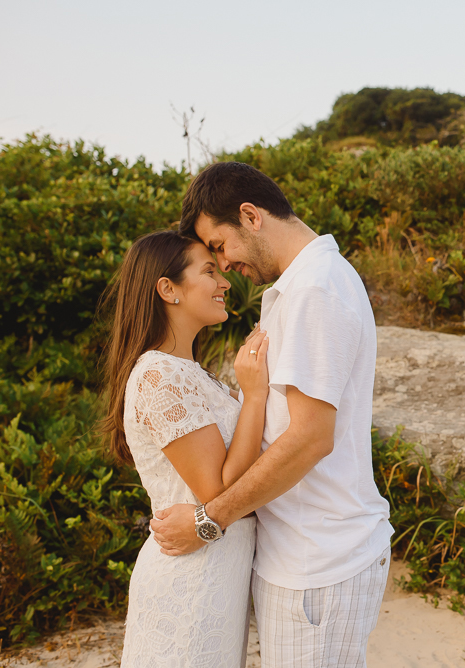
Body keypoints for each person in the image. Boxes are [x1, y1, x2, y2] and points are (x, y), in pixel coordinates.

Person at [149, 162, 393, 667]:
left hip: (318, 561)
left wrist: (207, 521)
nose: (224, 265)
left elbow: (309, 439)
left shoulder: (314, 291)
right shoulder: (299, 288)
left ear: (250, 216)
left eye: (219, 246)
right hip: (303, 556)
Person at [99, 230, 271, 667]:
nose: (225, 282)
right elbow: (215, 490)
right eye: (209, 271)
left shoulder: (187, 371)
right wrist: (253, 397)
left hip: (213, 576)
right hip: (190, 583)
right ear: (167, 289)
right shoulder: (160, 375)